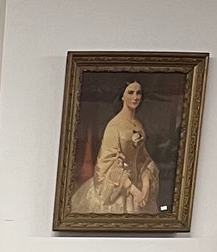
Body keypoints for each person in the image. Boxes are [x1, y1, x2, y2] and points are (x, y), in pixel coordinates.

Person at [68, 80, 160, 216]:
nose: (135, 97)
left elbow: (142, 158)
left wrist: (145, 186)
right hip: (119, 188)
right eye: (130, 92)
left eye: (138, 93)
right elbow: (108, 162)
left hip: (138, 187)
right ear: (122, 96)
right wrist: (133, 190)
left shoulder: (138, 125)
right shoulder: (114, 126)